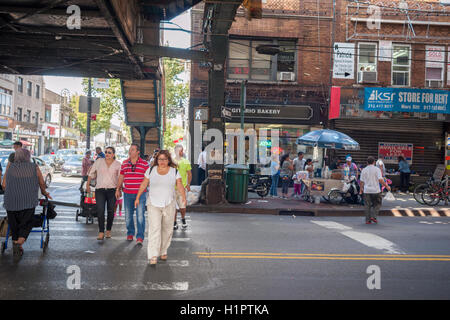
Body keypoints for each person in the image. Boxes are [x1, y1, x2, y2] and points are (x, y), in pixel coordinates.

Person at [134, 150, 186, 265]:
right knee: (154, 229)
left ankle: (163, 251)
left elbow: (180, 185)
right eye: (160, 159)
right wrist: (137, 197)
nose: (162, 161)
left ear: (168, 160)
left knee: (167, 229)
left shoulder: (174, 171)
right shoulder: (151, 170)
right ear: (156, 160)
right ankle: (153, 255)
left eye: (164, 159)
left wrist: (183, 197)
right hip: (153, 203)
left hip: (169, 204)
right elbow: (144, 184)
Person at [3, 148, 52, 257]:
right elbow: (41, 183)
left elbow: (4, 185)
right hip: (28, 200)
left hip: (11, 201)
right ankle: (19, 243)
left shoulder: (10, 167)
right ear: (28, 157)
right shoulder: (34, 167)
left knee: (14, 223)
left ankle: (16, 243)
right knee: (27, 222)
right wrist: (44, 192)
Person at [116, 144, 149, 244]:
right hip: (127, 193)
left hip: (141, 194)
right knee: (128, 216)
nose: (130, 151)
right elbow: (121, 177)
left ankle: (140, 237)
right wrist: (118, 188)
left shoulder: (144, 164)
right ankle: (130, 233)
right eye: (129, 150)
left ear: (138, 152)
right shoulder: (125, 163)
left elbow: (147, 179)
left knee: (140, 216)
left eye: (132, 150)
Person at [87, 146, 121, 240]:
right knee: (100, 210)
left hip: (112, 190)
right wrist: (87, 185)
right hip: (100, 190)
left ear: (113, 154)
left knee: (111, 211)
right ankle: (101, 232)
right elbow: (91, 173)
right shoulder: (99, 161)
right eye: (106, 152)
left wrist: (119, 189)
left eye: (109, 152)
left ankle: (108, 230)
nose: (107, 154)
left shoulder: (118, 164)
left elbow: (120, 178)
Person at [360, 156, 391, 224]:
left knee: (367, 205)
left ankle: (368, 220)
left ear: (367, 162)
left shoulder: (364, 170)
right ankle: (374, 216)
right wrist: (386, 186)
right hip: (376, 190)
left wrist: (361, 189)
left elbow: (361, 181)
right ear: (374, 162)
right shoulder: (377, 169)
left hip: (367, 190)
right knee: (377, 203)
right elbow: (380, 180)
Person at [173, 144, 192, 231]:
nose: (181, 152)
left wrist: (188, 184)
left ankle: (183, 219)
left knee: (182, 206)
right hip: (172, 188)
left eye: (182, 150)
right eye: (180, 150)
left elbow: (189, 174)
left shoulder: (186, 161)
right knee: (173, 206)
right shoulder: (171, 161)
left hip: (182, 187)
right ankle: (174, 222)